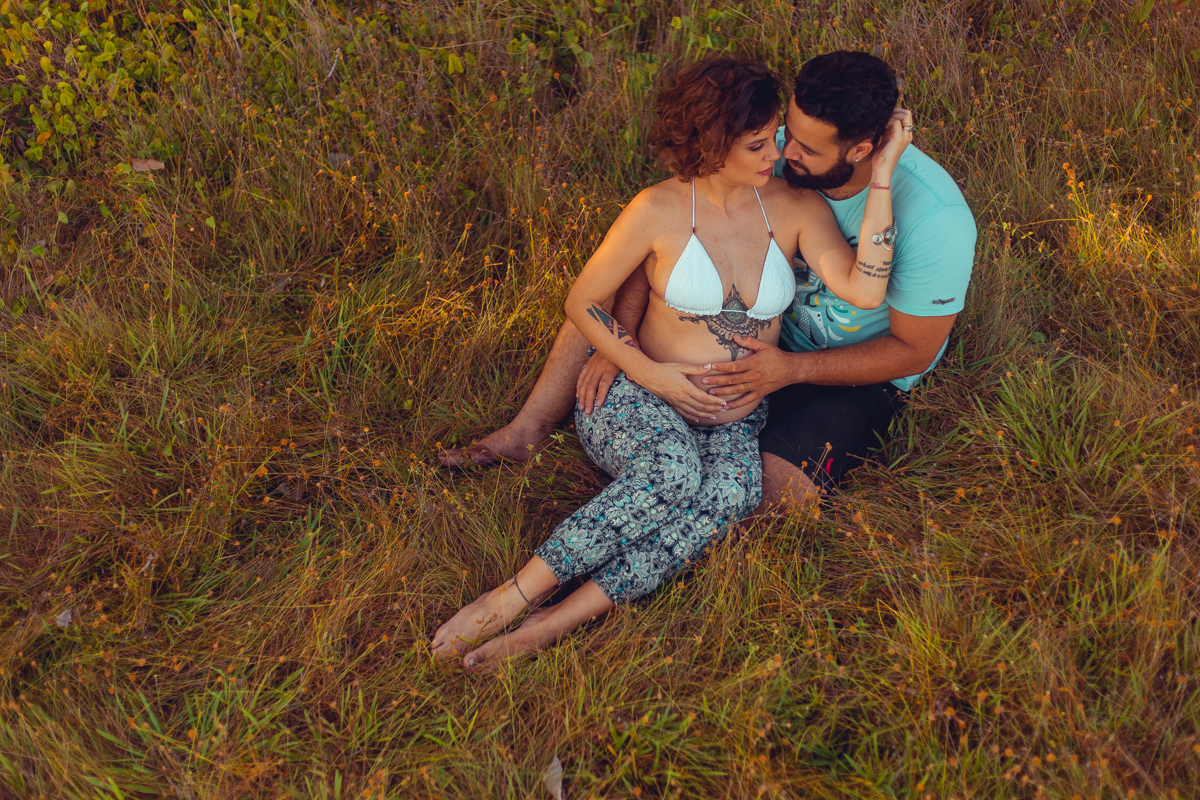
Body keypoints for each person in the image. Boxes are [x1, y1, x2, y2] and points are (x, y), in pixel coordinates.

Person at [430, 57, 913, 668]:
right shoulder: (656, 209)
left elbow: (865, 288)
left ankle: (556, 621)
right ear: (711, 144)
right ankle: (514, 595)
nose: (776, 154)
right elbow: (582, 302)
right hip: (638, 394)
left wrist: (882, 176)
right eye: (757, 144)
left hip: (734, 416)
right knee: (671, 474)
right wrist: (643, 369)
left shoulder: (794, 208)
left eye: (774, 137)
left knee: (731, 496)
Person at [439, 51, 976, 510]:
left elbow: (912, 350)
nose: (783, 153)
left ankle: (658, 503)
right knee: (600, 301)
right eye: (784, 133)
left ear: (861, 151)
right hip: (750, 326)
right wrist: (622, 343)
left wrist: (790, 370)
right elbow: (666, 240)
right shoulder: (769, 150)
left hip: (847, 366)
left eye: (805, 149)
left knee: (769, 499)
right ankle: (528, 430)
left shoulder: (936, 219)